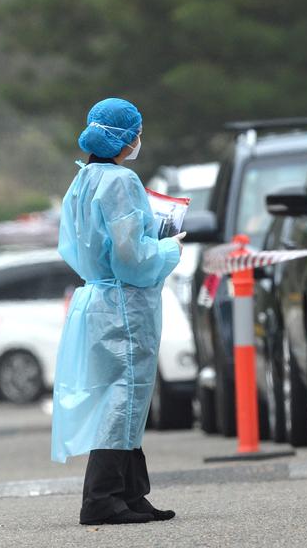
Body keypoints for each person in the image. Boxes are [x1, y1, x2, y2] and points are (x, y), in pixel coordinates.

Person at [52, 98, 184, 526]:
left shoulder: (83, 178)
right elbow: (131, 257)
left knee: (125, 395)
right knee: (125, 395)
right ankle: (102, 498)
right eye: (137, 133)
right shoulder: (121, 181)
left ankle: (129, 493)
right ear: (127, 138)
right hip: (125, 302)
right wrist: (168, 248)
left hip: (100, 299)